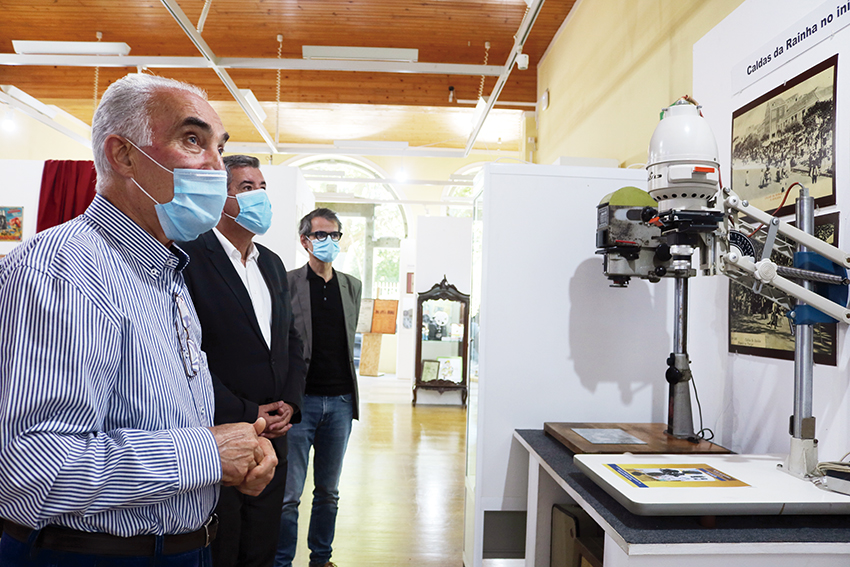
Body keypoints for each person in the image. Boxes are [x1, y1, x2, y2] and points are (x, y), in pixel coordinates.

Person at [0, 73, 277, 567]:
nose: (216, 166)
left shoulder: (165, 270)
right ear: (123, 155)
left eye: (219, 146)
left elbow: (156, 417)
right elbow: (28, 471)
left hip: (183, 546)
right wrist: (207, 455)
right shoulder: (61, 272)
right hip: (89, 554)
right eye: (192, 140)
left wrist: (240, 449)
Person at [178, 155, 307, 567]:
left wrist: (290, 402)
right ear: (221, 197)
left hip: (275, 435)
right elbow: (186, 354)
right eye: (248, 188)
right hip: (220, 432)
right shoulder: (189, 258)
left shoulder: (270, 262)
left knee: (261, 545)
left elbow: (289, 339)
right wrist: (250, 412)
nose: (260, 197)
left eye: (263, 187)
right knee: (222, 545)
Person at [276, 208, 362, 567]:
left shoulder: (352, 286)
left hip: (340, 402)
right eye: (320, 235)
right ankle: (280, 561)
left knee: (328, 492)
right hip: (301, 402)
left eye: (334, 235)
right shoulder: (286, 281)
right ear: (305, 240)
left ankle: (321, 558)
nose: (327, 242)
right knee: (288, 495)